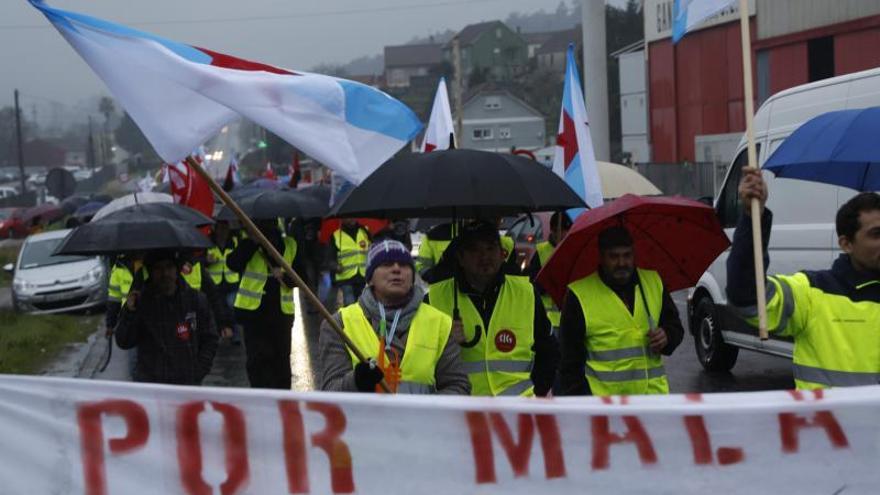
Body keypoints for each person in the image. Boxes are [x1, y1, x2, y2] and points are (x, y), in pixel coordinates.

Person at [728, 168, 880, 390]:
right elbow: (747, 297)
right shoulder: (812, 293)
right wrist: (754, 218)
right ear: (846, 244)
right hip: (829, 425)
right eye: (876, 234)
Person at [426, 221, 559, 397]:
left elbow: (549, 352)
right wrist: (446, 344)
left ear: (502, 253)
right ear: (460, 257)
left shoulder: (526, 293)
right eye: (475, 250)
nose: (485, 257)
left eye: (490, 248)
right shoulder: (435, 299)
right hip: (463, 413)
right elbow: (420, 365)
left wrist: (536, 392)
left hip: (517, 412)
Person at [320, 240, 469, 394]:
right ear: (370, 278)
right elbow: (331, 392)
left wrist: (428, 411)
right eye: (386, 264)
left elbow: (458, 386)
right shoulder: (339, 324)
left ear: (412, 277)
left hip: (421, 418)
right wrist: (356, 381)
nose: (396, 269)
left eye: (404, 265)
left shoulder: (440, 323)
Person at [558, 225, 684, 396]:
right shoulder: (579, 295)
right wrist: (585, 405)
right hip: (606, 407)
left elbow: (675, 326)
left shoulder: (653, 282)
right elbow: (570, 364)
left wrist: (667, 335)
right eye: (614, 257)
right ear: (601, 257)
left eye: (627, 255)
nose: (622, 263)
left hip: (653, 403)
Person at [115, 250, 218, 385]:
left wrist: (198, 371)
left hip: (187, 384)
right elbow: (124, 341)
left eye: (169, 267)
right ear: (151, 272)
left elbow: (210, 338)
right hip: (151, 386)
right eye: (158, 268)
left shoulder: (195, 300)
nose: (165, 274)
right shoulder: (140, 302)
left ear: (177, 269)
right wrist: (129, 312)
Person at [227, 218, 299, 389]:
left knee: (281, 360)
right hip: (253, 314)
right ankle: (260, 398)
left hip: (281, 314)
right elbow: (233, 263)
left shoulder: (289, 244)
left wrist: (284, 275)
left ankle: (282, 400)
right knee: (257, 361)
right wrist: (253, 242)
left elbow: (302, 275)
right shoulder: (249, 244)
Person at [527, 212, 573, 333]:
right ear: (553, 231)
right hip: (548, 319)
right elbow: (532, 284)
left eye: (567, 231)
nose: (564, 235)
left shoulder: (572, 251)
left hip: (570, 317)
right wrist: (550, 281)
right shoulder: (541, 251)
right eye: (561, 231)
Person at [206, 220, 241, 343]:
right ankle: (221, 333)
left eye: (225, 228)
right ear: (215, 229)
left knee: (232, 307)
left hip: (232, 282)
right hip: (215, 283)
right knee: (218, 309)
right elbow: (200, 261)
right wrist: (207, 261)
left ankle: (235, 333)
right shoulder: (208, 243)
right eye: (220, 228)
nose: (223, 231)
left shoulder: (235, 242)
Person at [328, 218, 371, 307]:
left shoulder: (365, 232)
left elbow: (373, 248)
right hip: (345, 278)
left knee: (363, 305)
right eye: (348, 217)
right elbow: (329, 259)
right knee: (350, 304)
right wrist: (335, 266)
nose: (351, 219)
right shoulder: (336, 236)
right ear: (342, 219)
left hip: (362, 277)